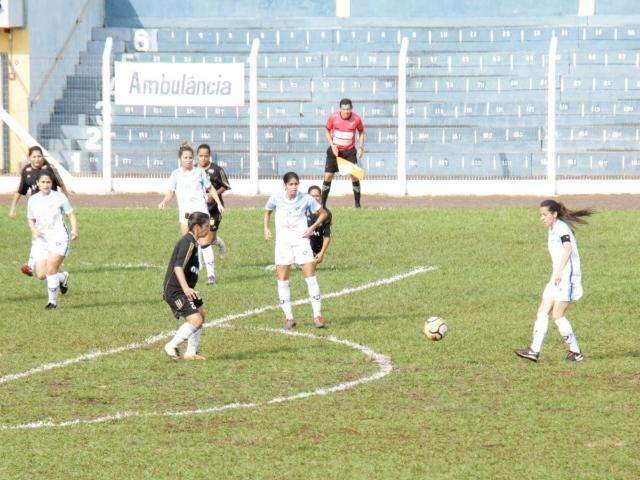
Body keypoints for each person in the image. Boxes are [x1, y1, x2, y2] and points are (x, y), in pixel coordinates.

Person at [515, 199, 593, 363]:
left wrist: (559, 271)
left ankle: (576, 352)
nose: (542, 218)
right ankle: (534, 351)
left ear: (554, 214)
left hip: (567, 276)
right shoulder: (552, 228)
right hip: (557, 275)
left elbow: (568, 248)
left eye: (544, 215)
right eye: (540, 215)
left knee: (557, 315)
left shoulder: (561, 228)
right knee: (543, 311)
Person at [264, 172, 328, 329]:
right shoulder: (276, 198)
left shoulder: (306, 199)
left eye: (296, 184)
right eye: (291, 184)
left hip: (301, 243)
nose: (293, 187)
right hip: (283, 244)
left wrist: (312, 227)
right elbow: (267, 211)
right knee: (283, 279)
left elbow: (324, 213)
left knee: (311, 278)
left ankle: (318, 315)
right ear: (285, 185)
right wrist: (266, 228)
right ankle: (289, 317)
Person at [158, 142, 224, 285]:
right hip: (185, 214)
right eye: (185, 157)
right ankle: (192, 271)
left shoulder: (199, 172)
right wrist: (164, 201)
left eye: (190, 157)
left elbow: (210, 188)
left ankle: (211, 275)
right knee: (189, 242)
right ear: (180, 159)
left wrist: (218, 203)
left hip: (200, 211)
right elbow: (170, 192)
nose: (188, 160)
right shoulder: (175, 174)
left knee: (204, 242)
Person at [9, 146, 67, 276]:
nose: (37, 159)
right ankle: (31, 264)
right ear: (29, 158)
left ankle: (35, 264)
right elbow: (20, 190)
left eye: (39, 156)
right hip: (36, 207)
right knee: (36, 232)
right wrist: (13, 207)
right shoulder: (26, 171)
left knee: (44, 234)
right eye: (34, 156)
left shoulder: (49, 168)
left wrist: (67, 200)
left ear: (43, 157)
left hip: (51, 207)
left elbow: (61, 184)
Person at [163, 212, 211, 361]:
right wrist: (186, 289)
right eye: (207, 226)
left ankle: (191, 353)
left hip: (186, 289)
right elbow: (178, 267)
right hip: (176, 291)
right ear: (197, 227)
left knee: (201, 315)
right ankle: (171, 346)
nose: (209, 229)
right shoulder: (187, 243)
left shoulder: (194, 243)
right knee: (195, 320)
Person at [26, 171, 78, 309]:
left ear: (52, 183)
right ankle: (63, 277)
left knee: (51, 270)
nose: (45, 185)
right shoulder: (33, 200)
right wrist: (34, 230)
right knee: (41, 274)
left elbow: (71, 214)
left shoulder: (59, 197)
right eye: (42, 182)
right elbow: (30, 219)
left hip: (59, 237)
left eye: (48, 182)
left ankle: (52, 303)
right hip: (42, 239)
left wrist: (74, 230)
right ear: (37, 183)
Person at [322, 98, 366, 208]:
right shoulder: (333, 117)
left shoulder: (356, 119)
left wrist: (361, 147)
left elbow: (361, 131)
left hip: (350, 151)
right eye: (344, 109)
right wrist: (332, 145)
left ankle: (357, 205)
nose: (346, 111)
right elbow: (327, 130)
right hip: (335, 151)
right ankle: (322, 205)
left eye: (348, 109)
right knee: (328, 176)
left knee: (355, 176)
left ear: (351, 109)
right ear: (340, 109)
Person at [196, 143, 230, 260]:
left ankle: (220, 243)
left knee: (209, 239)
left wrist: (213, 194)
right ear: (197, 156)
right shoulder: (194, 170)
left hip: (214, 209)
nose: (203, 158)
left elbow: (225, 186)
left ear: (209, 156)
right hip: (200, 208)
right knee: (200, 236)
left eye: (206, 156)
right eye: (201, 156)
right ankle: (200, 263)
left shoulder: (217, 170)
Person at [306, 185, 332, 264]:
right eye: (312, 196)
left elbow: (327, 236)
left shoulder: (326, 213)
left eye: (317, 196)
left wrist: (322, 253)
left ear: (320, 197)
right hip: (302, 243)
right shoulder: (302, 209)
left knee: (316, 261)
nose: (314, 198)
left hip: (316, 246)